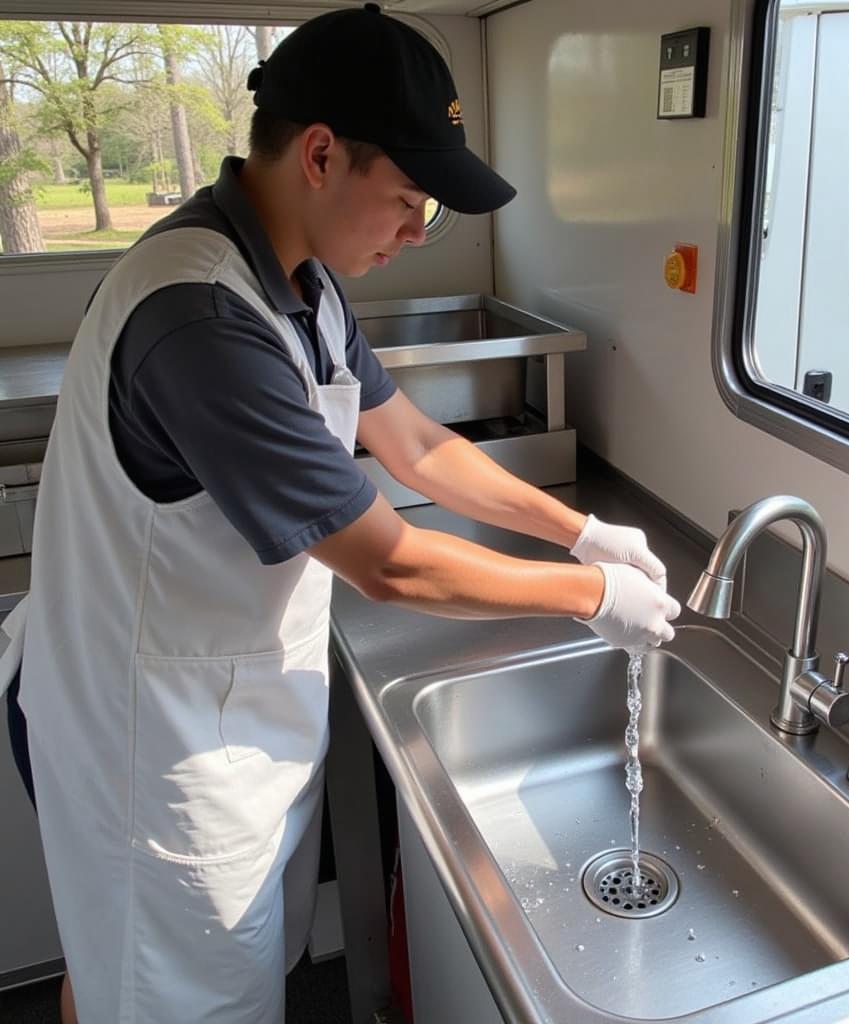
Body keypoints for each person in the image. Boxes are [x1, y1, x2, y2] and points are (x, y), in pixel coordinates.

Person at [0, 5, 679, 1022]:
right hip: (153, 749)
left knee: (126, 983)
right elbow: (391, 563)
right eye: (408, 198)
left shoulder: (303, 284)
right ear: (320, 155)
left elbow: (415, 444)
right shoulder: (199, 316)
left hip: (222, 704)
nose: (417, 230)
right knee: (161, 999)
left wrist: (577, 530)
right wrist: (590, 594)